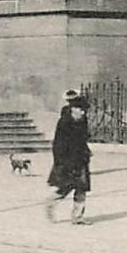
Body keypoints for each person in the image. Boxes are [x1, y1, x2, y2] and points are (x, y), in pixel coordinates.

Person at [46, 89, 92, 225]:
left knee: (82, 188)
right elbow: (58, 145)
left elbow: (83, 139)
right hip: (67, 161)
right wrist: (62, 163)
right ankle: (50, 203)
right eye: (80, 110)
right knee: (65, 187)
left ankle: (77, 217)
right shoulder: (64, 123)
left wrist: (86, 152)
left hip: (81, 159)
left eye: (84, 111)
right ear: (73, 109)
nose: (83, 113)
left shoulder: (83, 121)